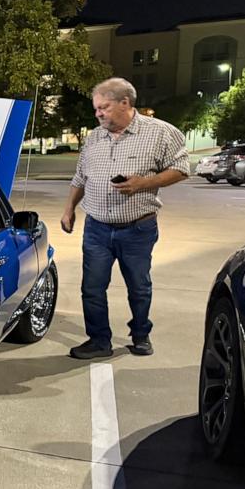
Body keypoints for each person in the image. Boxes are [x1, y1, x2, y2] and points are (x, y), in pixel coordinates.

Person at [60, 77, 189, 359]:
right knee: (92, 288)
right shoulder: (94, 137)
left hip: (137, 229)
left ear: (125, 103)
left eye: (103, 107)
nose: (98, 114)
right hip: (96, 229)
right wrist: (69, 209)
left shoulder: (161, 133)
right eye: (96, 109)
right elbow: (80, 177)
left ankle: (141, 335)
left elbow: (181, 168)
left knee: (138, 287)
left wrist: (143, 183)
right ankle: (99, 341)